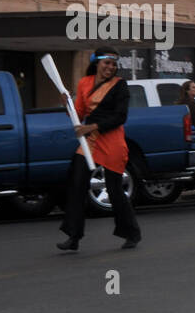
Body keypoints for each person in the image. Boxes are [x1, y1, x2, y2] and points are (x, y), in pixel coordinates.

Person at [57, 47, 141, 251]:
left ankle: (131, 233)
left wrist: (91, 126)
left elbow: (121, 116)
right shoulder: (85, 83)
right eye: (106, 63)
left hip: (112, 140)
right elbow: (77, 114)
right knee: (76, 184)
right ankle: (73, 236)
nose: (110, 67)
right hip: (90, 142)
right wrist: (66, 104)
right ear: (97, 63)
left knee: (114, 189)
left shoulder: (120, 86)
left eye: (113, 64)